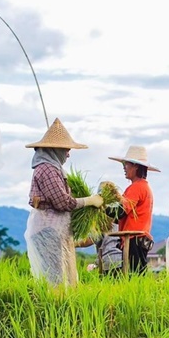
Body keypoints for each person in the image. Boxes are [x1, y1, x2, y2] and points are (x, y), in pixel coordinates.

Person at [24, 118, 102, 287]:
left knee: (62, 277)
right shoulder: (47, 169)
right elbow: (62, 202)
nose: (68, 153)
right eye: (66, 149)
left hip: (54, 230)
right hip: (48, 230)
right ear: (55, 149)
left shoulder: (54, 168)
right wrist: (89, 201)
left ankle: (61, 310)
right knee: (55, 280)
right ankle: (54, 310)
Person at [108, 145, 160, 274]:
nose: (124, 168)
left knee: (134, 275)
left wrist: (102, 206)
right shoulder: (143, 187)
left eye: (126, 164)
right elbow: (120, 217)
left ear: (136, 166)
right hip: (137, 239)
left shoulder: (136, 188)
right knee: (136, 273)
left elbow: (120, 212)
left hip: (134, 240)